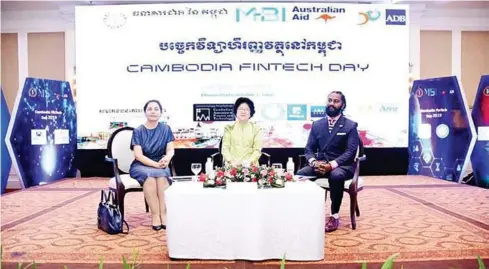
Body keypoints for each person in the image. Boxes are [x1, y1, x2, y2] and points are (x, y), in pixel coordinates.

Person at [297, 91, 359, 232]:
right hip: (320, 165)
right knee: (300, 175)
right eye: (329, 100)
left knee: (335, 176)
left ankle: (334, 216)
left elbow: (350, 152)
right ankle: (304, 213)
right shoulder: (317, 125)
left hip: (342, 166)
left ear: (342, 105)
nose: (332, 103)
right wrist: (313, 162)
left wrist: (331, 165)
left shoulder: (350, 126)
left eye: (336, 101)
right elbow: (309, 149)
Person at [129, 100, 175, 231]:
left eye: (156, 109)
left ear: (161, 113)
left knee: (162, 177)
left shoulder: (166, 129)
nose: (153, 111)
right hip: (141, 164)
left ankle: (163, 214)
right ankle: (155, 215)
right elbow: (138, 155)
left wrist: (167, 158)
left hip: (160, 163)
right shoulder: (138, 131)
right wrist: (155, 164)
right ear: (145, 112)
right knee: (150, 177)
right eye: (150, 109)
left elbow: (170, 150)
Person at [221, 97, 263, 166]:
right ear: (236, 111)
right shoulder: (229, 128)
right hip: (232, 168)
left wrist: (249, 162)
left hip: (251, 168)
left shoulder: (256, 129)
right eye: (240, 109)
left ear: (251, 112)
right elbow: (225, 149)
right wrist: (231, 161)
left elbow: (257, 150)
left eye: (246, 109)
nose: (243, 111)